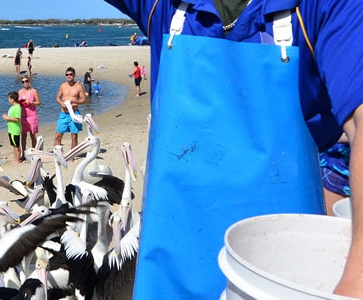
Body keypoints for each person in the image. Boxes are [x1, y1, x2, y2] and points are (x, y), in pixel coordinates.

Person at [103, 0, 363, 298]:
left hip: (279, 279)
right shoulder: (165, 7)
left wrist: (356, 279)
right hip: (169, 277)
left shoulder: (319, 8)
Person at [55, 67, 86, 151]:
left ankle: (72, 156)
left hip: (74, 113)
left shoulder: (78, 86)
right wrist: (61, 103)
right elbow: (58, 98)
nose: (69, 76)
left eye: (71, 74)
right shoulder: (63, 85)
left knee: (74, 136)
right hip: (63, 113)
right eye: (67, 74)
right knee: (58, 135)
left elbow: (83, 100)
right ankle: (57, 155)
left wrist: (75, 101)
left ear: (74, 75)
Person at [18, 75, 41, 159]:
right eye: (23, 82)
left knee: (32, 135)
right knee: (23, 135)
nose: (25, 83)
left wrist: (31, 102)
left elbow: (39, 103)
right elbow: (17, 103)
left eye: (26, 81)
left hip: (32, 115)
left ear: (29, 81)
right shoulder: (20, 92)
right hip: (23, 116)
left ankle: (34, 152)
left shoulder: (33, 91)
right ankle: (23, 154)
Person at [2, 91, 22, 164]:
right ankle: (15, 158)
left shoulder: (17, 107)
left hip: (15, 129)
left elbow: (17, 119)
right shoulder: (12, 107)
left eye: (9, 98)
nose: (8, 100)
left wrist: (7, 118)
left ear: (12, 99)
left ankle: (18, 159)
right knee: (13, 145)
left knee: (16, 145)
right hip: (11, 129)